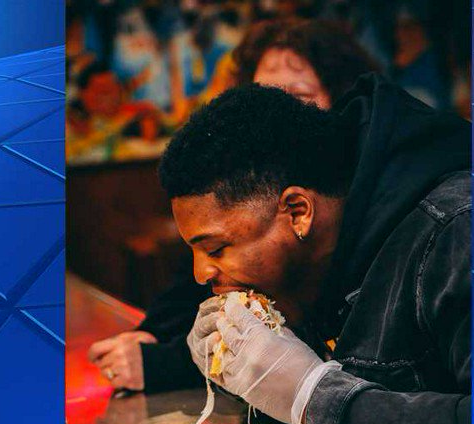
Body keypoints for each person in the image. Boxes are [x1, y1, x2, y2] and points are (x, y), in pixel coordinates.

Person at [162, 79, 471, 424]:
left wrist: (311, 395)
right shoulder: (306, 268)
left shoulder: (461, 232)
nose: (201, 273)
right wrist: (239, 370)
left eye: (216, 248)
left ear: (297, 212)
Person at [89, 18, 378, 394]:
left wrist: (166, 364)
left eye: (297, 97)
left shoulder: (366, 208)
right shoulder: (244, 204)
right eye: (262, 94)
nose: (275, 113)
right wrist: (151, 333)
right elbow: (194, 284)